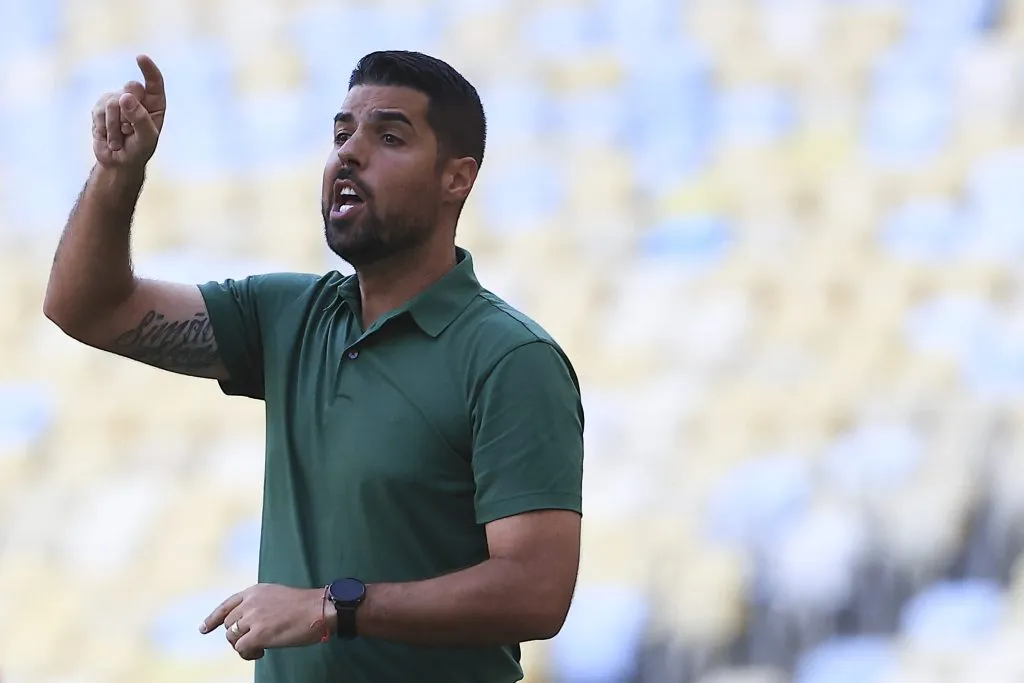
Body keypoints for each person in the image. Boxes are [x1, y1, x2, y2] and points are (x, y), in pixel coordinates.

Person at [43, 50, 584, 683]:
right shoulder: (290, 315)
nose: (349, 154)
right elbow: (87, 308)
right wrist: (117, 173)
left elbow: (536, 592)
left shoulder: (510, 358)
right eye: (341, 134)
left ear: (456, 179)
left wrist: (333, 607)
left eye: (389, 137)